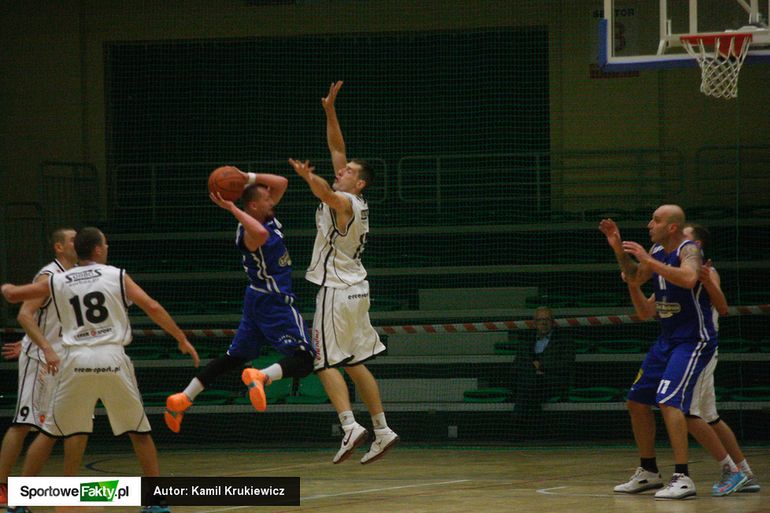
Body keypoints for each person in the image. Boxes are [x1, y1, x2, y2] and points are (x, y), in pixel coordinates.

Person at [1, 227, 200, 513]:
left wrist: (7, 289)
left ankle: (19, 505)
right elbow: (152, 306)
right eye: (105, 244)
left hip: (76, 361)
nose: (107, 248)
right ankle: (156, 503)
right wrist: (180, 338)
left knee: (49, 433)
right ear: (97, 249)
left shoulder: (59, 279)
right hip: (112, 358)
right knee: (139, 432)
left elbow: (15, 296)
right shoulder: (116, 275)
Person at [599, 206, 746, 500]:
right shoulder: (656, 252)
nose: (649, 224)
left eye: (656, 220)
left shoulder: (689, 250)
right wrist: (618, 249)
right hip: (667, 341)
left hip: (693, 341)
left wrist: (649, 261)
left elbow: (689, 279)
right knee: (636, 401)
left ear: (672, 227)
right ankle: (649, 470)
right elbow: (635, 279)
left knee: (673, 403)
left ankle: (684, 476)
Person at [287, 80, 398, 465]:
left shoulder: (346, 201)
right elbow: (337, 148)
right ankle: (382, 429)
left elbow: (327, 194)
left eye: (348, 171)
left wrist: (308, 177)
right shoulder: (355, 198)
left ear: (359, 182)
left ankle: (349, 425)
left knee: (321, 359)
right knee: (353, 361)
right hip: (357, 289)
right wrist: (330, 110)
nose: (341, 169)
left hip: (336, 289)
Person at [165, 173, 316, 432]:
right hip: (274, 301)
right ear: (253, 206)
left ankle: (184, 398)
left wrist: (247, 177)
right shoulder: (249, 233)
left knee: (234, 357)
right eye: (266, 199)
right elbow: (259, 232)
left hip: (255, 299)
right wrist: (232, 207)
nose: (272, 201)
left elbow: (282, 182)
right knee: (306, 359)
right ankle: (262, 376)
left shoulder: (266, 217)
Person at [0, 228, 76, 512]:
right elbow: (24, 314)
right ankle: (2, 487)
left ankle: (46, 493)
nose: (77, 242)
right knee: (23, 423)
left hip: (64, 361)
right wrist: (41, 346)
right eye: (72, 239)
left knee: (63, 428)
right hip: (41, 360)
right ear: (59, 247)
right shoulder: (48, 275)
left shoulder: (78, 275)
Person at [513, 307, 574, 413]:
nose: (543, 323)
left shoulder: (564, 340)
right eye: (540, 320)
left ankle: (518, 420)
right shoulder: (526, 340)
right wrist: (532, 369)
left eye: (547, 319)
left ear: (553, 322)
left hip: (552, 383)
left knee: (526, 390)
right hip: (531, 382)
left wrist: (541, 366)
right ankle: (534, 420)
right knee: (530, 386)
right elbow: (517, 364)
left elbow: (567, 363)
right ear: (534, 323)